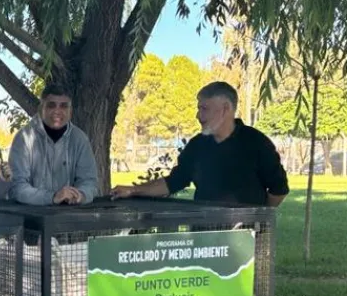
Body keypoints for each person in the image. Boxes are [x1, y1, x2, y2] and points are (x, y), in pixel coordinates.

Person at [111, 82, 289, 207]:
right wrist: (133, 190)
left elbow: (279, 189)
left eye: (204, 108)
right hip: (204, 238)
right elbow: (173, 182)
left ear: (225, 109)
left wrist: (259, 217)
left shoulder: (256, 143)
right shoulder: (197, 146)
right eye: (198, 108)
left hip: (246, 241)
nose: (198, 115)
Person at [9, 85, 100, 205]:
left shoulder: (80, 139)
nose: (57, 111)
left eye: (64, 106)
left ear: (70, 111)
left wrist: (81, 195)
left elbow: (89, 182)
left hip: (71, 212)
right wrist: (52, 197)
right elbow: (17, 187)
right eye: (51, 105)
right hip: (30, 212)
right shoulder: (24, 138)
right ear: (41, 108)